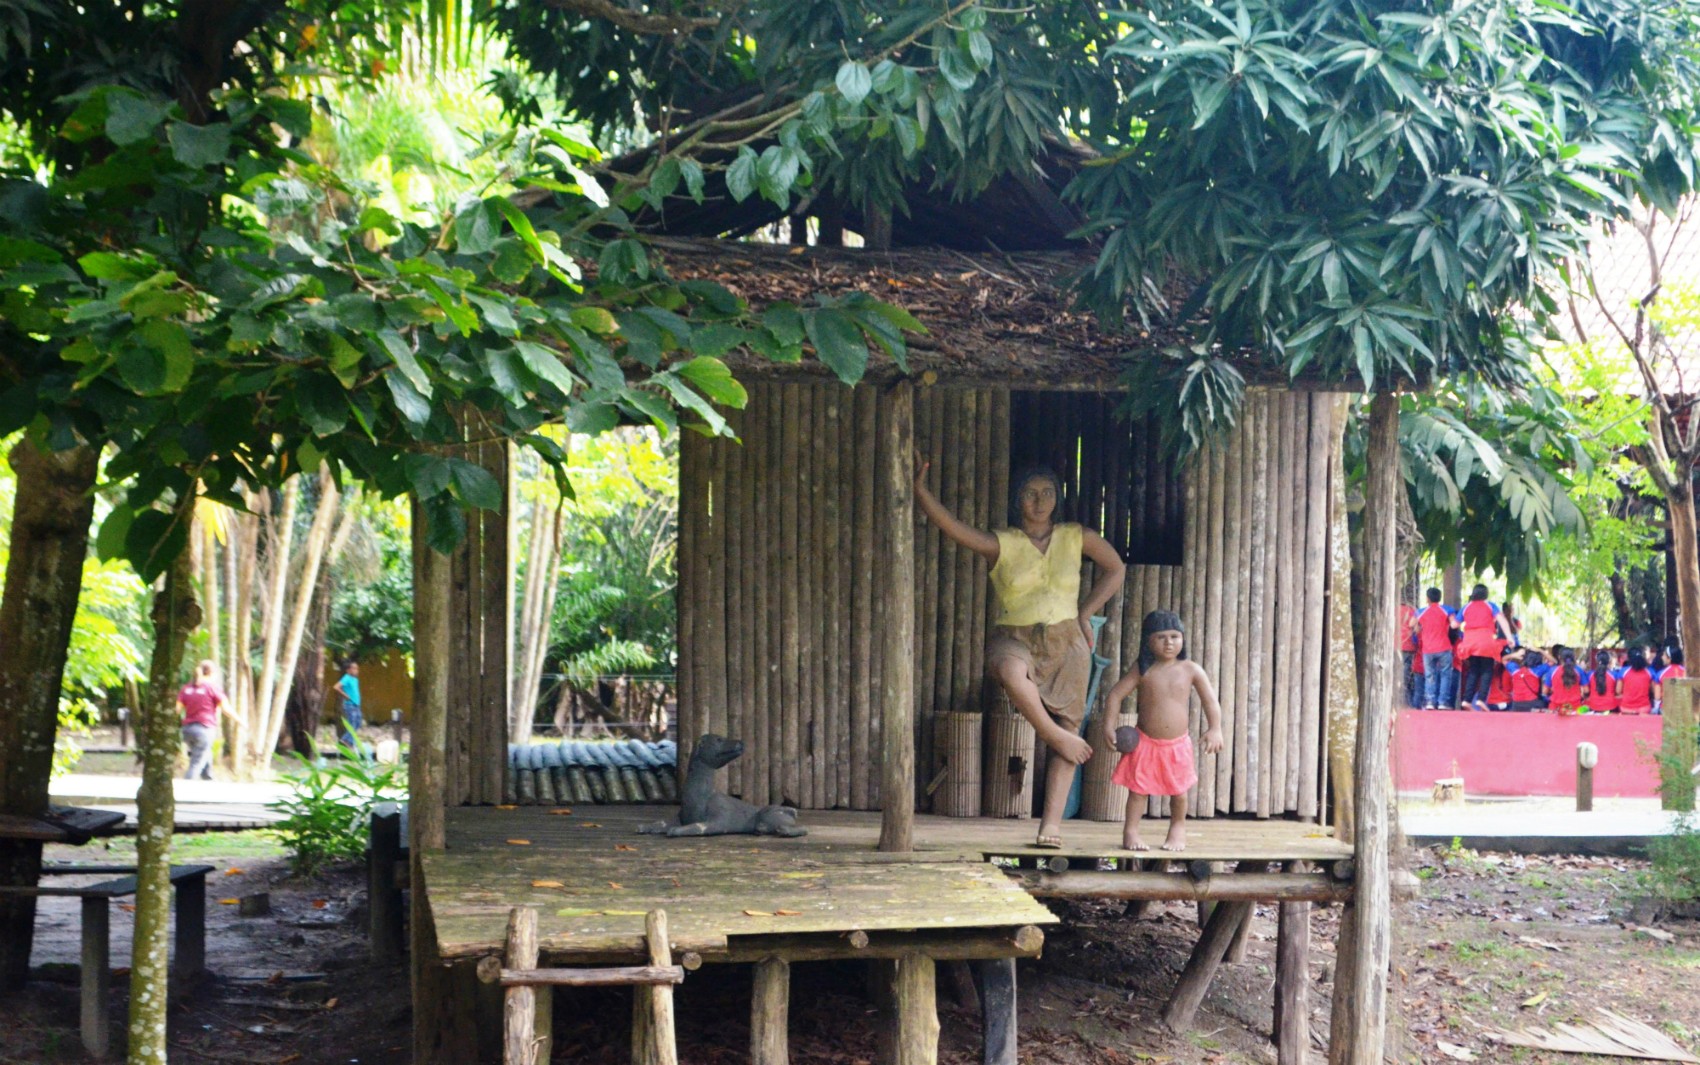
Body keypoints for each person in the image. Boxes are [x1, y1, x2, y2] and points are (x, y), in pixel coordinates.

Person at [914, 459, 1125, 848]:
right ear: (1018, 500)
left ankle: (1051, 826)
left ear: (1057, 498)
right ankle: (1052, 735)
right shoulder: (1003, 542)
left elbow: (1115, 568)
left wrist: (1086, 611)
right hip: (1015, 634)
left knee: (1070, 724)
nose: (1040, 500)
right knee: (1010, 670)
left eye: (1047, 492)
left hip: (1067, 641)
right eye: (1030, 493)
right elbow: (954, 529)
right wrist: (921, 492)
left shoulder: (1077, 536)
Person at [1102, 610, 1224, 852]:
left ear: (1183, 639)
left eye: (1174, 636)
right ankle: (1131, 832)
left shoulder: (1191, 669)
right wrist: (1108, 725)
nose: (1169, 642)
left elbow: (1210, 701)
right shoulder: (1143, 669)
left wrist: (1215, 728)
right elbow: (1115, 694)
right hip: (1145, 742)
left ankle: (1177, 828)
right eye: (1161, 637)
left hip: (1177, 745)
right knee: (1138, 792)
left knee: (1179, 793)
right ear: (1148, 640)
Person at [1458, 585, 1515, 711]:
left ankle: (1467, 700)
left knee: (1473, 670)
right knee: (1487, 670)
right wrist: (1510, 637)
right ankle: (1481, 699)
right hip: (1486, 642)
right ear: (1486, 594)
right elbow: (1503, 621)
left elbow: (1454, 624)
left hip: (1470, 643)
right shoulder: (1490, 605)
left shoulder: (1466, 607)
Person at [177, 660, 229, 781]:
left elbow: (177, 709)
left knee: (205, 751)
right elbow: (226, 709)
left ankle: (208, 777)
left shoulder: (186, 688)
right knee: (196, 762)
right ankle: (187, 785)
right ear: (212, 673)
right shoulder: (212, 688)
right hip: (204, 729)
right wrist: (240, 721)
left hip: (187, 729)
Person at [1410, 588, 1459, 710]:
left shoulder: (1421, 611)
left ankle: (1430, 701)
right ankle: (1442, 702)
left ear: (1427, 599)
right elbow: (1454, 624)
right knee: (1445, 675)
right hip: (1444, 647)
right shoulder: (1447, 610)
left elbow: (1411, 624)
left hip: (1428, 649)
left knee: (1429, 675)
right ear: (1440, 598)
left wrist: (1419, 627)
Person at [336, 660, 364, 752]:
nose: (356, 670)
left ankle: (349, 741)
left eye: (357, 668)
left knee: (358, 723)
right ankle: (345, 739)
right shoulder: (346, 677)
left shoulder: (355, 679)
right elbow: (336, 687)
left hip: (356, 705)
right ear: (348, 670)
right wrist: (345, 695)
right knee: (352, 723)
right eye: (354, 668)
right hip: (350, 705)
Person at [1618, 650, 1656, 715]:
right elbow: (1654, 690)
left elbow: (1618, 691)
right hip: (1644, 708)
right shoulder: (1650, 672)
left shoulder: (1623, 671)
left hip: (1626, 708)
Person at [1583, 650, 1620, 714]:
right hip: (1611, 707)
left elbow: (1586, 691)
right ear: (1609, 661)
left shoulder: (1590, 674)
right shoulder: (1614, 675)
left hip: (1593, 707)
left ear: (1596, 661)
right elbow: (1617, 691)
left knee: (1582, 709)